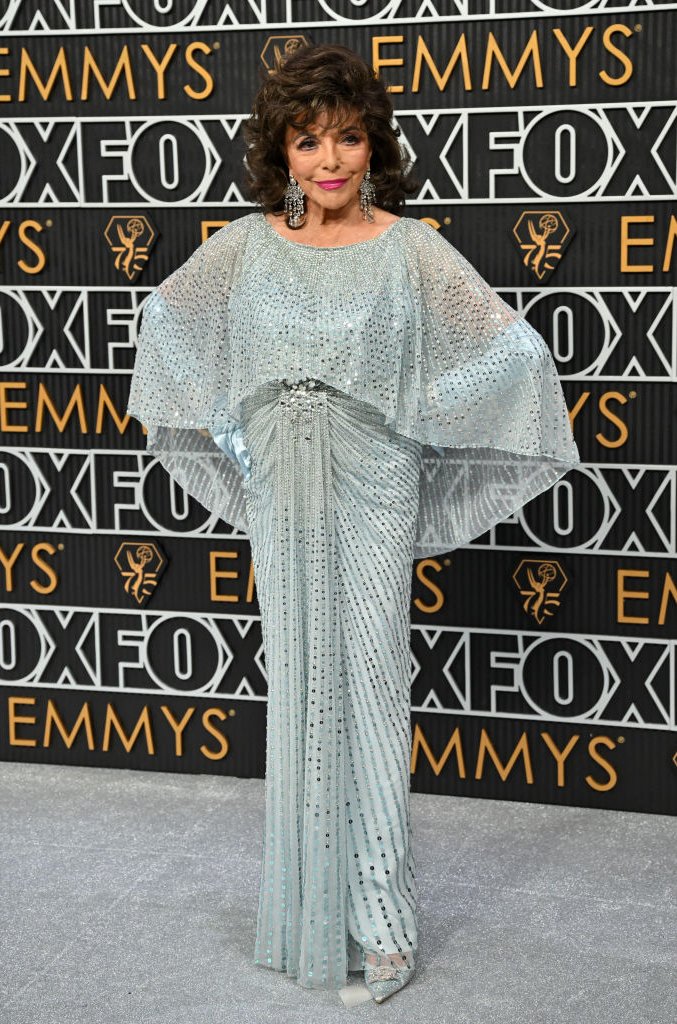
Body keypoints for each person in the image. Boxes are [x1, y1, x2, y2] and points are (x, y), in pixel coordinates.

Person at [126, 43, 580, 1004]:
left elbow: (509, 354)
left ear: (371, 145)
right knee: (296, 688)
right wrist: (241, 428)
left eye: (344, 138)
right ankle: (309, 916)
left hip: (374, 482)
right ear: (280, 155)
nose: (327, 161)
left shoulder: (410, 247)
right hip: (282, 488)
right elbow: (167, 326)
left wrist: (411, 412)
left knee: (371, 691)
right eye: (306, 142)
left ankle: (385, 931)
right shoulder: (247, 246)